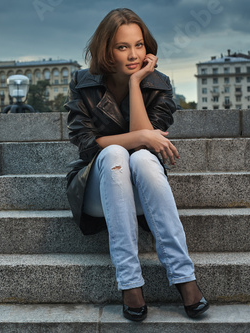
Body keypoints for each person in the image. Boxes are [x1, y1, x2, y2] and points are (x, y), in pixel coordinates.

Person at [64, 8, 209, 321]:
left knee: (142, 156)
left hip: (143, 189)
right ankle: (130, 282)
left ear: (148, 47)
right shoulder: (83, 83)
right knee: (116, 155)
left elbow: (146, 146)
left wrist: (135, 84)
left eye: (139, 45)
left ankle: (184, 276)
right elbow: (88, 146)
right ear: (107, 50)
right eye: (122, 47)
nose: (133, 54)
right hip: (97, 189)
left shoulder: (157, 85)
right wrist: (142, 135)